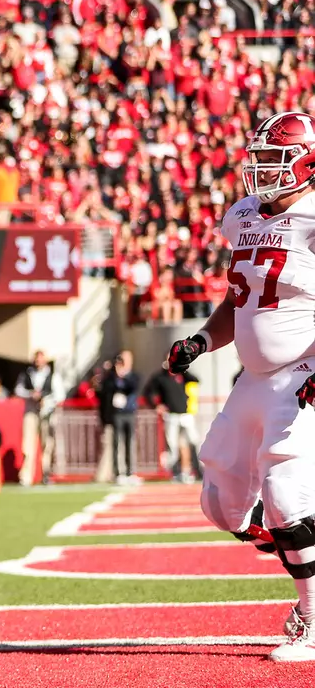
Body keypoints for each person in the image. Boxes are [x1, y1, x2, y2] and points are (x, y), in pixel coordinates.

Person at [165, 110, 315, 661]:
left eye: (277, 161)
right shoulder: (244, 216)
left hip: (304, 376)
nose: (265, 173)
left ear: (307, 163)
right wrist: (202, 341)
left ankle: (311, 619)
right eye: (262, 161)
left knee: (286, 496)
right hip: (252, 378)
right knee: (224, 503)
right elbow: (238, 299)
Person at [145, 365, 202, 483]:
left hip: (185, 414)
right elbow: (148, 392)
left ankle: (196, 470)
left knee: (192, 441)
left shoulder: (182, 375)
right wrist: (156, 405)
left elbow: (196, 380)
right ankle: (175, 471)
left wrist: (183, 367)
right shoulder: (160, 377)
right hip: (171, 415)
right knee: (173, 445)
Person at [16, 351, 59, 487]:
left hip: (47, 412)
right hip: (31, 411)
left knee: (47, 444)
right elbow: (18, 390)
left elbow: (60, 394)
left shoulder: (53, 375)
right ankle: (26, 476)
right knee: (28, 443)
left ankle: (46, 473)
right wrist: (31, 395)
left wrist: (45, 400)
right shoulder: (26, 374)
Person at [98, 350, 141, 484]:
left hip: (129, 412)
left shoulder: (132, 376)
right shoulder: (111, 378)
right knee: (117, 442)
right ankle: (118, 472)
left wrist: (124, 376)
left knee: (130, 442)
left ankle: (130, 471)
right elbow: (106, 389)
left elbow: (133, 387)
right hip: (117, 413)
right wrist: (115, 374)